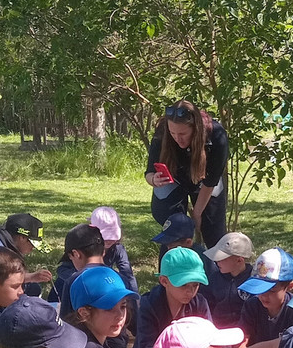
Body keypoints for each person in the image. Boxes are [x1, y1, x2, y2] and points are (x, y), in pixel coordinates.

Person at [119, 247, 214, 348]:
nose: (190, 292)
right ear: (164, 281)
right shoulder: (149, 304)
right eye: (183, 285)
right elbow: (147, 346)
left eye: (195, 285)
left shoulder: (199, 303)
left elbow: (209, 339)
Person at [145, 100, 229, 248]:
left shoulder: (216, 134)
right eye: (173, 133)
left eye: (183, 133)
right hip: (173, 179)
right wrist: (154, 179)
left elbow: (211, 181)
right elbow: (149, 173)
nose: (177, 138)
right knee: (174, 230)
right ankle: (170, 268)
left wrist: (196, 214)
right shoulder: (162, 132)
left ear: (195, 128)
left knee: (213, 230)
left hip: (205, 180)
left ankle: (216, 268)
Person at [200, 232, 254, 327]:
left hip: (244, 330)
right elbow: (205, 303)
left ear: (239, 261)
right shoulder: (214, 278)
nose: (217, 261)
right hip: (217, 329)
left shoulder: (253, 280)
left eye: (221, 258)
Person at [48, 223, 106, 305]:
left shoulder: (75, 282)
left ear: (76, 254)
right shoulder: (120, 278)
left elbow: (66, 316)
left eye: (70, 257)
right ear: (103, 251)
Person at [88, 206, 138, 294]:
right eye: (105, 236)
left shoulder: (118, 249)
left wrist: (135, 299)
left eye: (112, 235)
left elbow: (128, 275)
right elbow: (63, 269)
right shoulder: (83, 246)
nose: (109, 240)